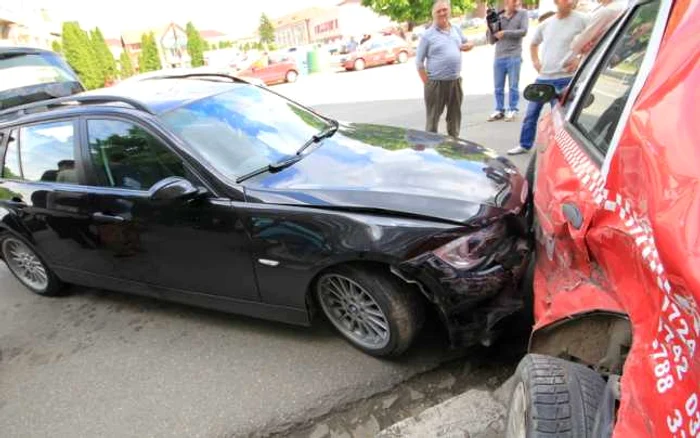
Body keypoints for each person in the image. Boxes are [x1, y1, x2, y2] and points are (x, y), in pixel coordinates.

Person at [508, 0, 587, 155]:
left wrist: (580, 59)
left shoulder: (583, 19)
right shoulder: (547, 24)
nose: (570, 1)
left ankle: (561, 151)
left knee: (560, 119)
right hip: (544, 78)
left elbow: (596, 40)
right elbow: (533, 44)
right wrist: (536, 61)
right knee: (531, 114)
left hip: (565, 78)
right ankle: (524, 144)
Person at [415, 0, 474, 138]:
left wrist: (469, 45)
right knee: (432, 120)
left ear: (449, 11)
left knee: (454, 117)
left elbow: (467, 42)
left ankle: (453, 149)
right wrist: (428, 83)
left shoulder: (456, 30)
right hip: (436, 83)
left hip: (455, 81)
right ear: (433, 15)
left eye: (444, 9)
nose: (442, 13)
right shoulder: (427, 35)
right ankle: (430, 150)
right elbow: (418, 62)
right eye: (438, 11)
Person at [486, 0, 529, 122]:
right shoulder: (498, 16)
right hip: (499, 56)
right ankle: (499, 109)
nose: (516, 2)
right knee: (498, 86)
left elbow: (523, 31)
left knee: (513, 86)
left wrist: (505, 33)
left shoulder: (522, 14)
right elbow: (491, 41)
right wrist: (489, 26)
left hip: (514, 55)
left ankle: (512, 109)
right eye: (513, 0)